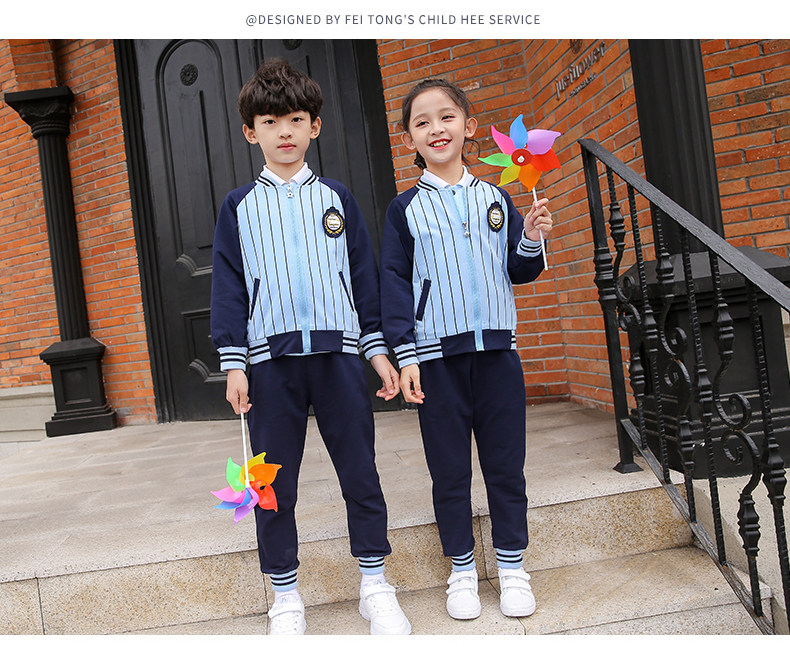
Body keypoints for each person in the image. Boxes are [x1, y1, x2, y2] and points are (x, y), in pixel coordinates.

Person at [211, 59, 411, 636]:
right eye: (270, 122)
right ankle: (285, 596)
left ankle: (375, 584)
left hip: (339, 360)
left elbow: (364, 281)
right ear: (251, 132)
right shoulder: (239, 207)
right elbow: (229, 287)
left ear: (315, 126)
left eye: (296, 119)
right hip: (269, 366)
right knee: (270, 485)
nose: (285, 132)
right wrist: (234, 364)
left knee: (360, 472)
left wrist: (377, 352)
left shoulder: (337, 199)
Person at [379, 78, 553, 621]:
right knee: (449, 472)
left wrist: (532, 236)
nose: (436, 129)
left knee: (506, 468)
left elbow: (520, 270)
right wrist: (406, 355)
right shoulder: (404, 210)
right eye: (422, 122)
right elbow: (394, 284)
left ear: (469, 127)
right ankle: (460, 569)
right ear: (408, 138)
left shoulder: (498, 198)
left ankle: (512, 566)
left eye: (447, 117)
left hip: (498, 356)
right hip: (436, 362)